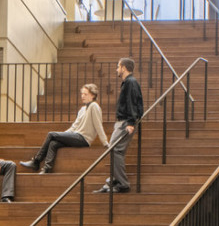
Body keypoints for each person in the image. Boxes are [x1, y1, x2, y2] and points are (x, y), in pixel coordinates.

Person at [23, 83, 109, 173]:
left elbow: (98, 125)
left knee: (51, 134)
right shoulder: (82, 109)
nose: (82, 96)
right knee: (53, 143)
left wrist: (105, 142)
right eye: (82, 94)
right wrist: (63, 135)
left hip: (84, 139)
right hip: (76, 136)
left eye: (85, 94)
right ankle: (47, 169)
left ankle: (36, 161)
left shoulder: (94, 106)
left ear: (93, 95)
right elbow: (74, 127)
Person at [94, 57, 143, 194]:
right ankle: (116, 180)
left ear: (124, 68)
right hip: (124, 122)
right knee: (115, 150)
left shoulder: (131, 82)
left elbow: (132, 102)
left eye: (118, 67)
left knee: (115, 150)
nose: (117, 69)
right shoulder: (128, 82)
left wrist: (131, 122)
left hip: (125, 122)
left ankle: (122, 183)